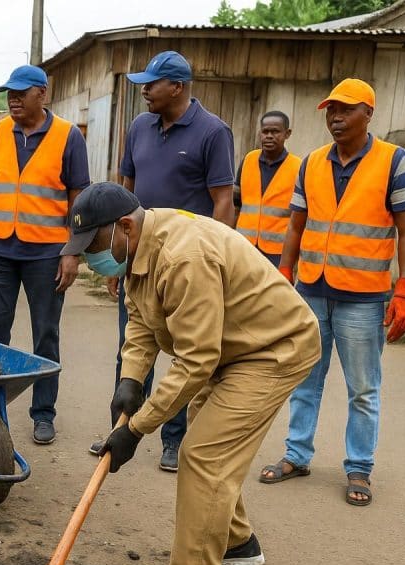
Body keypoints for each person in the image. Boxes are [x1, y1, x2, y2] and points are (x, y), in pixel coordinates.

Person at [65, 182, 319, 565]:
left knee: (205, 453)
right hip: (232, 347)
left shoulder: (184, 257)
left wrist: (136, 429)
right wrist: (130, 380)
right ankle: (238, 543)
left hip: (272, 348)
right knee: (205, 433)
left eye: (93, 245)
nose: (90, 256)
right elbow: (141, 323)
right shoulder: (138, 250)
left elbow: (195, 360)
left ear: (124, 226)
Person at [263, 79, 405, 507]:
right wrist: (284, 273)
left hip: (363, 297)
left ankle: (359, 467)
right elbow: (296, 224)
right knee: (305, 379)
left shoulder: (393, 161)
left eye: (346, 109)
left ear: (368, 113)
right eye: (331, 110)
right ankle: (297, 455)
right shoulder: (312, 162)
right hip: (311, 290)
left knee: (363, 389)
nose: (336, 117)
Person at [99, 50, 235, 471]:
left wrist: (217, 263)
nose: (144, 91)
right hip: (138, 257)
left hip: (186, 265)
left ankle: (173, 440)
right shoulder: (139, 127)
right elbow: (125, 190)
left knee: (183, 353)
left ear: (177, 87)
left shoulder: (213, 132)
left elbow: (223, 200)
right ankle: (121, 428)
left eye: (151, 84)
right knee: (134, 345)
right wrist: (118, 258)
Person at [0, 64, 89, 445]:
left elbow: (78, 199)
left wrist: (73, 251)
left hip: (47, 253)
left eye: (21, 93)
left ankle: (43, 412)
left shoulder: (68, 136)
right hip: (1, 249)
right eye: (9, 93)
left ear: (42, 94)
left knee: (45, 335)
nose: (13, 99)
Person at [233, 111, 301, 265]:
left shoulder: (298, 167)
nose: (269, 136)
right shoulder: (248, 160)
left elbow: (300, 218)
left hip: (278, 252)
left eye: (275, 132)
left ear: (287, 133)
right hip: (244, 246)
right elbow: (235, 205)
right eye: (265, 132)